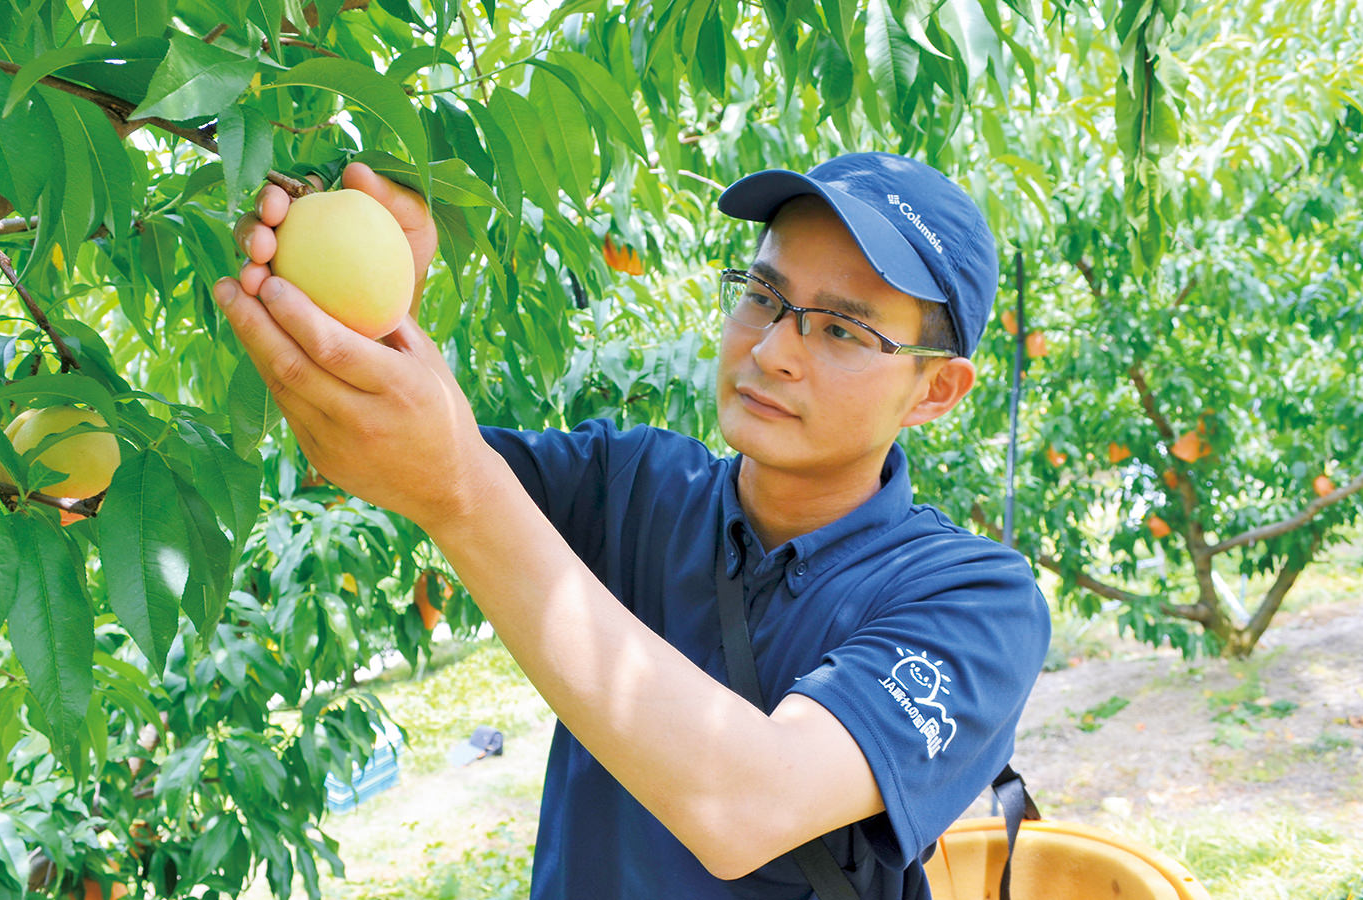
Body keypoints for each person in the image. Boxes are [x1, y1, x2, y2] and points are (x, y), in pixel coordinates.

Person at [215, 151, 1051, 900]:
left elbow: (750, 803)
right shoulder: (633, 484)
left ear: (936, 392)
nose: (771, 351)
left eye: (840, 329)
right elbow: (378, 458)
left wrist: (460, 492)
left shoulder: (977, 602)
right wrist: (374, 313)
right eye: (764, 295)